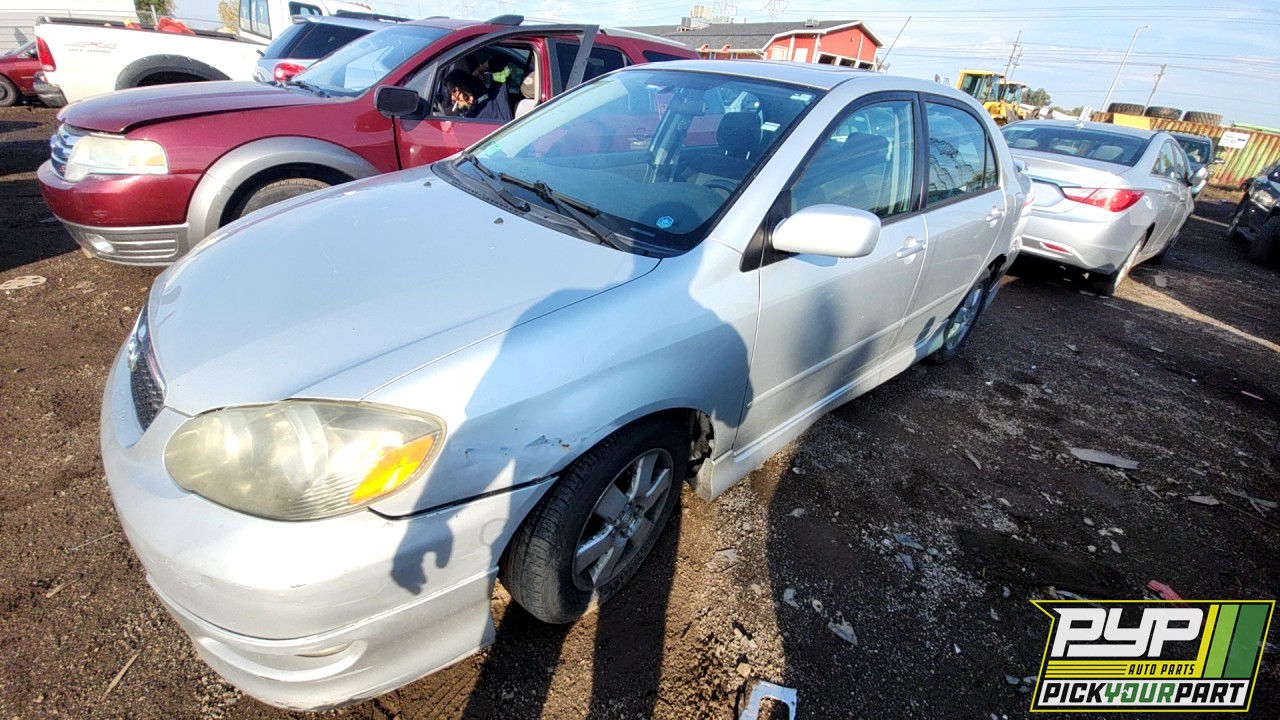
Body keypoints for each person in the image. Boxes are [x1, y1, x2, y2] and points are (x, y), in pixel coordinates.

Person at [444, 68, 512, 123]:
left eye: (454, 91)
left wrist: (478, 70)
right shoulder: (494, 92)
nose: (452, 97)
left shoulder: (494, 94)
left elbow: (499, 61)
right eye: (450, 93)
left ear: (464, 87)